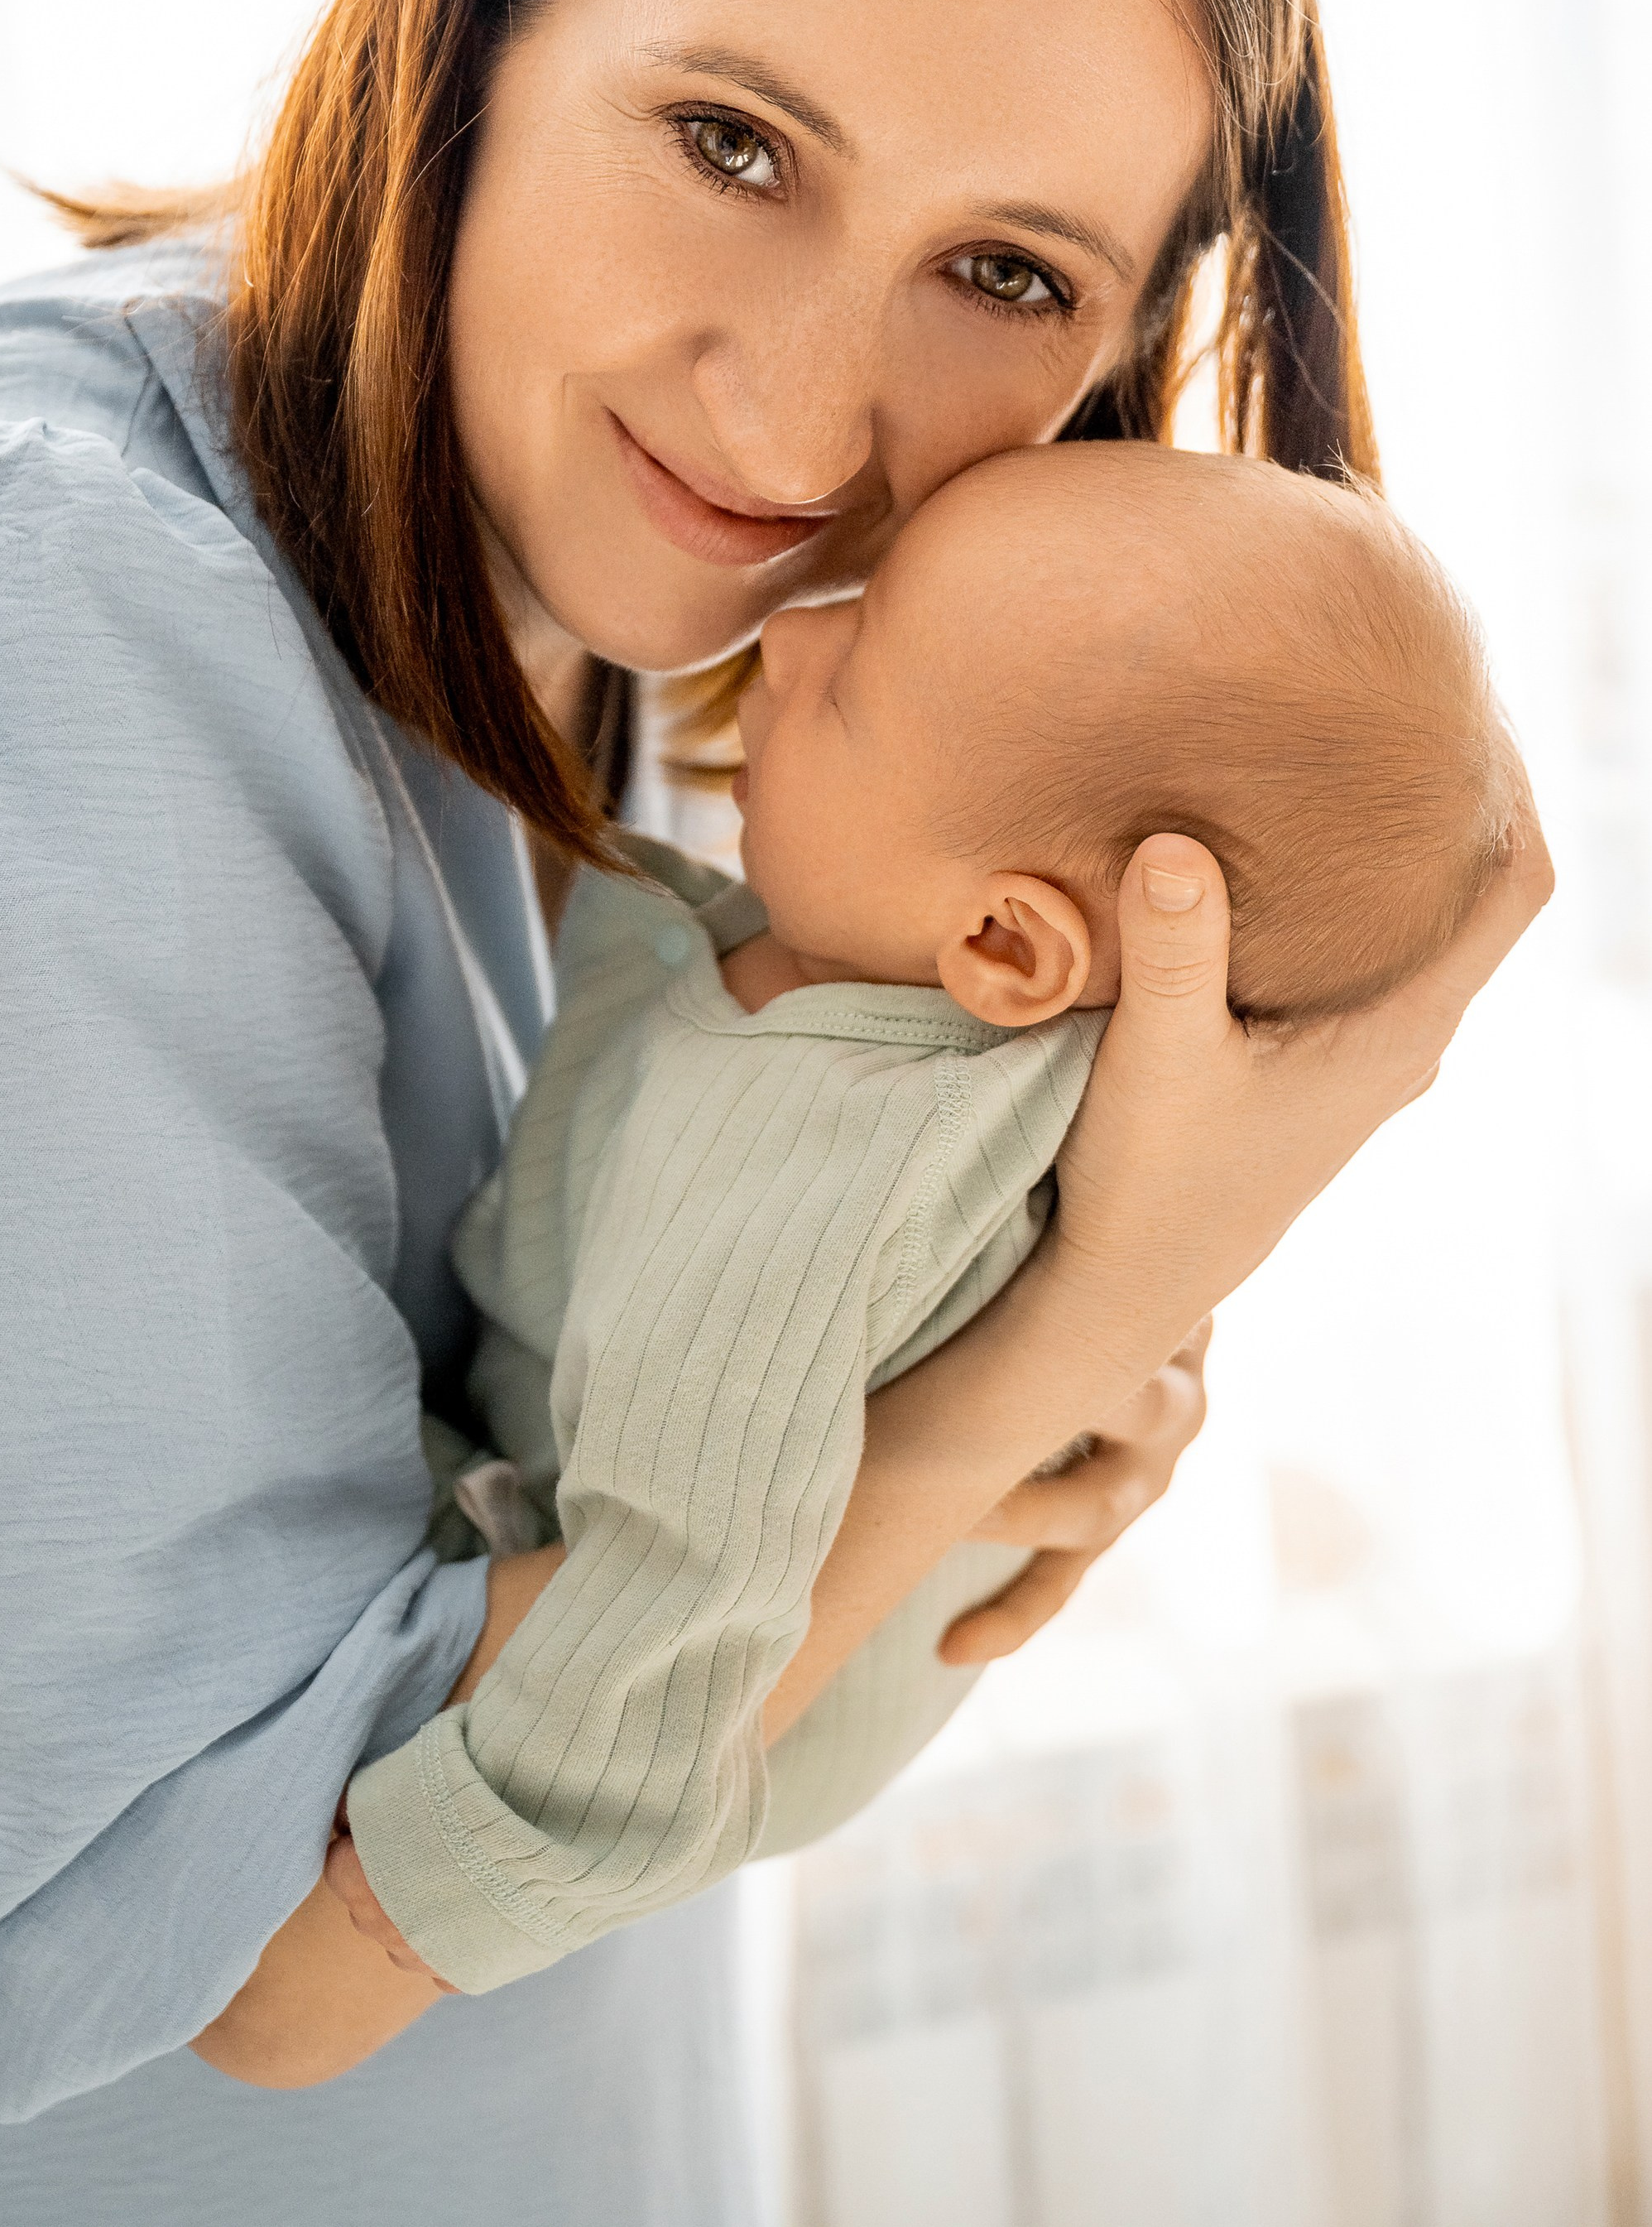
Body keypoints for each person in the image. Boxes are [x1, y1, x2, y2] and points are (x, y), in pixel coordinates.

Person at [0, 0, 1547, 2227]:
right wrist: (1078, 1308)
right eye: (734, 138)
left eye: (1003, 265)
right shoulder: (36, 603)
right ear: (486, 6)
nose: (808, 403)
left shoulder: (701, 633)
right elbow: (242, 1939)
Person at [337, 439, 1515, 1995]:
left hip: (696, 1675)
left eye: (854, 672)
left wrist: (411, 1904)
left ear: (1004, 947)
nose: (789, 630)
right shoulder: (901, 956)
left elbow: (670, 1628)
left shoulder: (802, 1192)